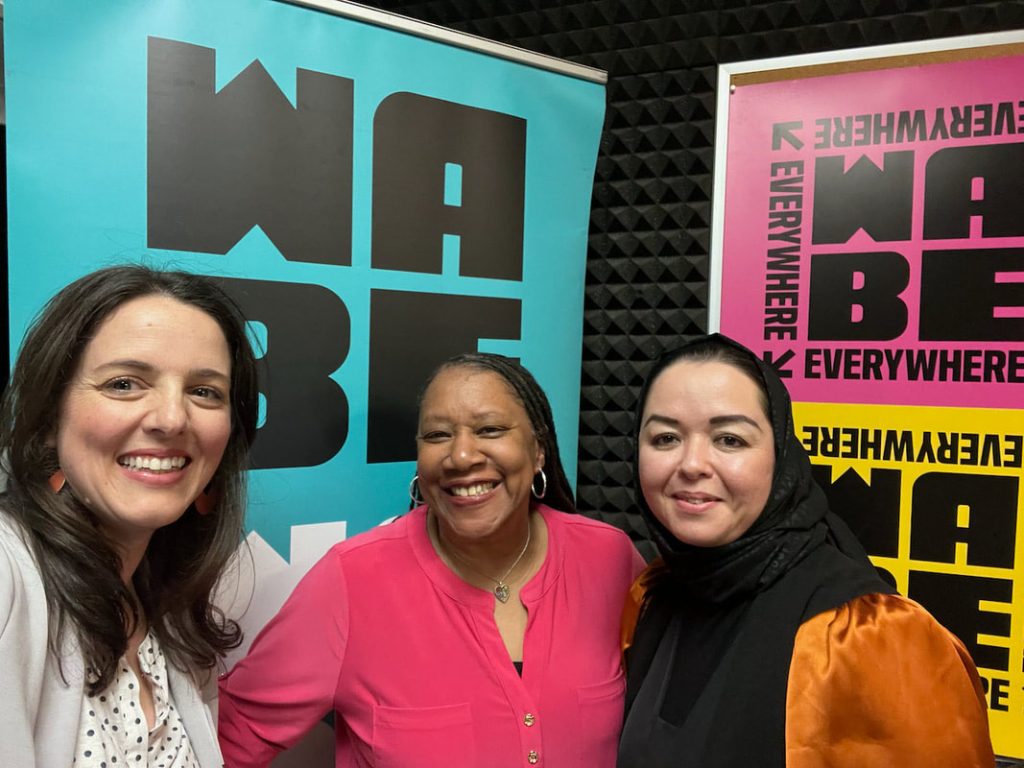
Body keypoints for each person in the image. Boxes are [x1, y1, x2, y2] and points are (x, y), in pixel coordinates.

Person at [218, 352, 645, 767]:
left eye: (491, 429)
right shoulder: (354, 579)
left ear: (538, 452)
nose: (461, 456)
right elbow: (226, 739)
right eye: (438, 435)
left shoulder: (609, 559)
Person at [618, 334, 994, 767]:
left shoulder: (871, 635)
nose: (691, 464)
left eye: (729, 440)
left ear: (780, 456)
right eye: (665, 438)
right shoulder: (651, 597)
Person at [0, 265, 260, 768]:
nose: (171, 419)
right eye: (124, 383)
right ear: (50, 419)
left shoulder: (170, 607)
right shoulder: (8, 574)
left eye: (205, 391)